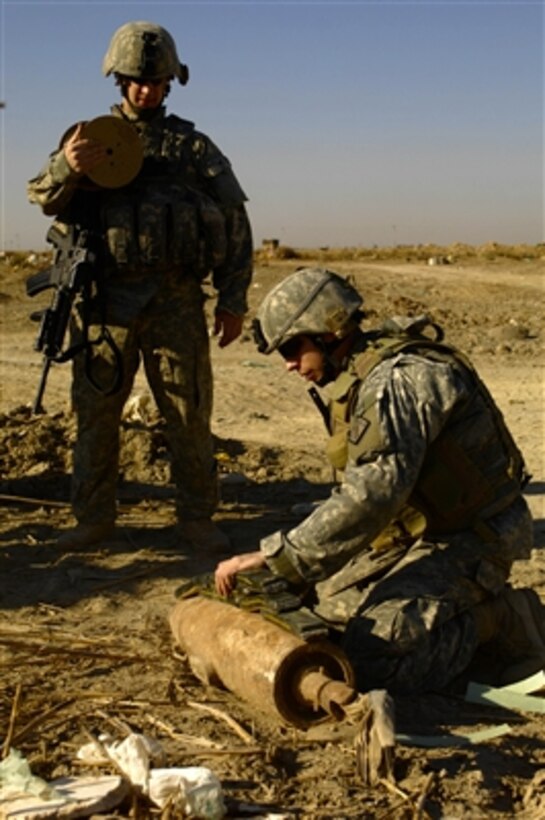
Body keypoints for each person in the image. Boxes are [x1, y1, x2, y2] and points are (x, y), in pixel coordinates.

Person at [215, 267, 545, 694]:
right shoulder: (358, 374)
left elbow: (373, 493)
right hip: (417, 530)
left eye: (294, 348)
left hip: (473, 538)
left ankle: (499, 619)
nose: (290, 365)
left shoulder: (399, 380)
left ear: (329, 331)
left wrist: (279, 557)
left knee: (372, 657)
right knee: (319, 611)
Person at [27, 21, 253, 551]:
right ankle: (93, 518)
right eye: (135, 80)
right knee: (96, 414)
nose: (145, 90)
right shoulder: (88, 140)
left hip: (176, 299)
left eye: (155, 81)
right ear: (119, 81)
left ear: (171, 82)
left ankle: (196, 516)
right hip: (106, 303)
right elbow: (39, 193)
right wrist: (66, 168)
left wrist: (234, 299)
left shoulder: (194, 150)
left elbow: (234, 223)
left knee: (187, 412)